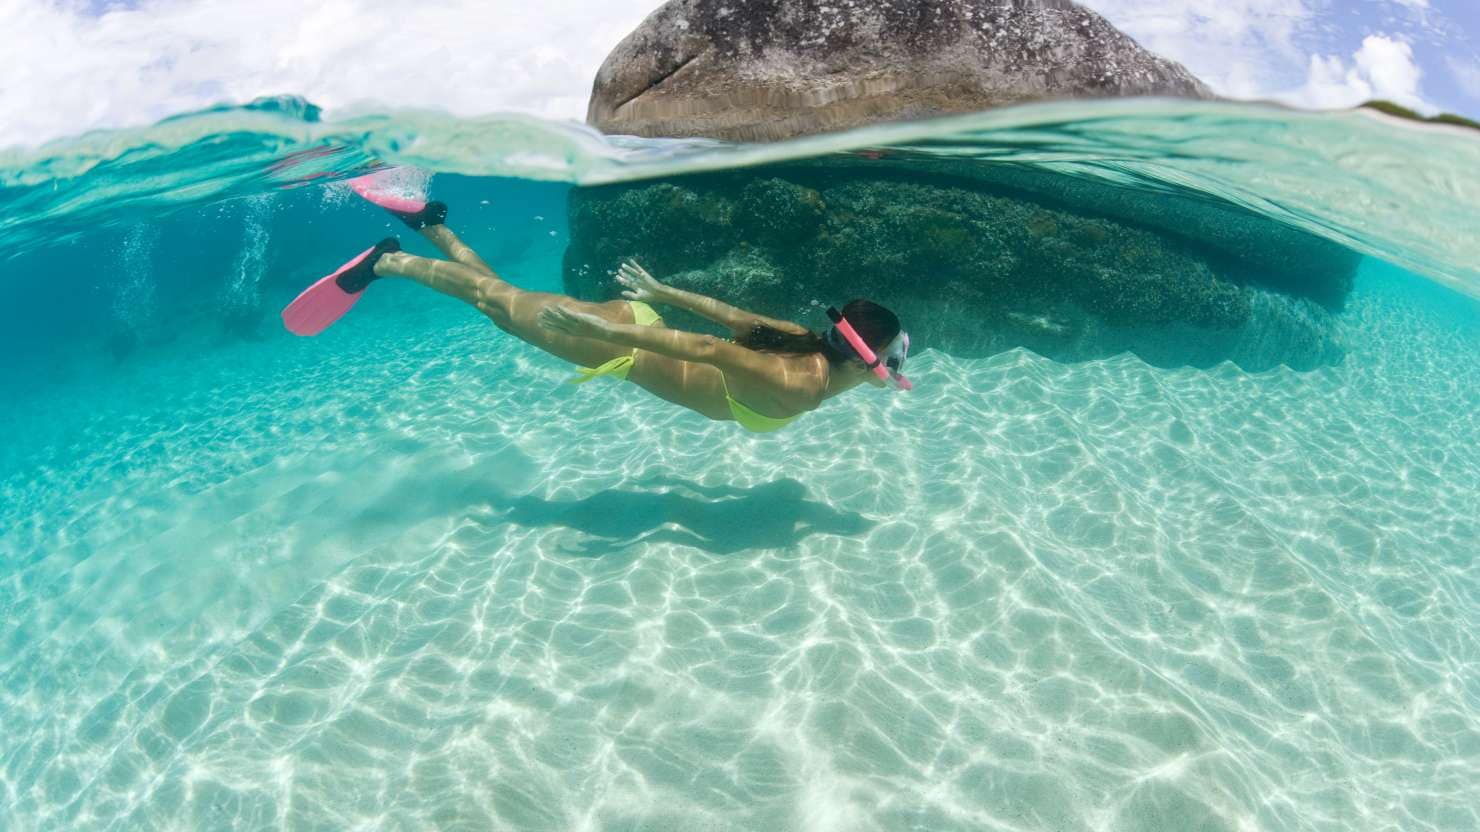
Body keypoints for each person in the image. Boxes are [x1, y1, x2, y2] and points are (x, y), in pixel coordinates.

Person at [282, 194, 911, 433]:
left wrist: (660, 294)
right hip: (621, 345)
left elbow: (726, 314)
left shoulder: (806, 346)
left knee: (502, 300)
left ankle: (432, 227)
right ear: (871, 362)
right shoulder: (799, 385)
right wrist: (601, 329)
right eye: (896, 357)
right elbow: (710, 350)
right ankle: (385, 263)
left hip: (637, 329)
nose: (897, 367)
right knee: (495, 302)